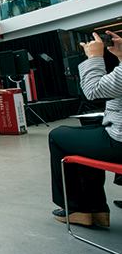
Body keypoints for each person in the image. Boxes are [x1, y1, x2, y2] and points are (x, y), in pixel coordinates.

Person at [49, 30, 122, 227]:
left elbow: (93, 91)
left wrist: (94, 57)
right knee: (86, 134)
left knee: (57, 136)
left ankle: (76, 207)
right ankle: (97, 208)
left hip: (119, 143)